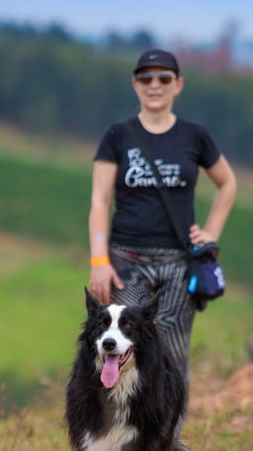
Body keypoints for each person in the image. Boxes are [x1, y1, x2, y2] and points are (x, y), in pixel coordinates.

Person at [88, 48, 237, 377]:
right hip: (125, 263)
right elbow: (99, 200)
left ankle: (167, 431)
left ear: (178, 84)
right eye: (146, 78)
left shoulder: (195, 136)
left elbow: (227, 184)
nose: (154, 85)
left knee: (171, 357)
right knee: (120, 353)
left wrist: (210, 234)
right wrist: (99, 260)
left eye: (163, 78)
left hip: (178, 266)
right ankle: (122, 430)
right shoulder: (117, 136)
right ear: (135, 85)